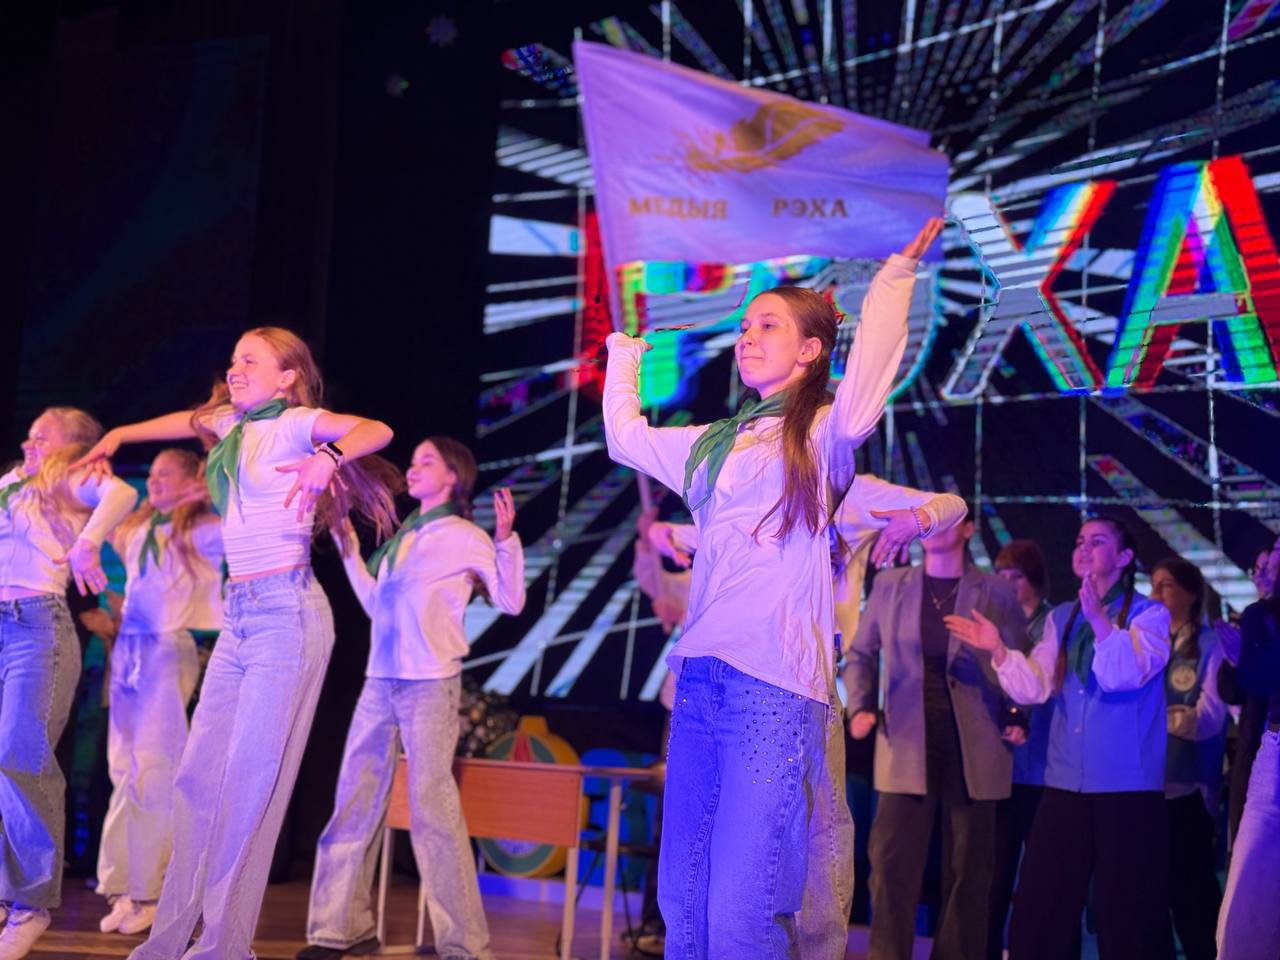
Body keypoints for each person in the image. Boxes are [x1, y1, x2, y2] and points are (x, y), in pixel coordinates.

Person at [602, 217, 942, 957]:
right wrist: (624, 355)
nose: (747, 337)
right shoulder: (714, 443)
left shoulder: (820, 434)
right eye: (745, 326)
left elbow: (865, 392)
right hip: (700, 678)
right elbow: (625, 438)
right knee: (683, 900)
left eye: (768, 326)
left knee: (742, 905)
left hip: (774, 685)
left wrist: (894, 280)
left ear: (810, 350)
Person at [74, 326, 397, 960]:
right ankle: (168, 939)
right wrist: (118, 435)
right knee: (195, 780)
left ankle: (224, 946)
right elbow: (186, 419)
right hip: (240, 617)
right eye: (233, 360)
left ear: (287, 376)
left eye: (251, 360)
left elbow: (376, 430)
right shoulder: (232, 426)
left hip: (287, 615)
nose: (236, 368)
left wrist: (329, 456)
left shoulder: (296, 423)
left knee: (250, 786)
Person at [650, 473, 969, 959]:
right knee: (718, 847)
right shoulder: (754, 480)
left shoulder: (848, 487)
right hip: (736, 687)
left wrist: (918, 520)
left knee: (819, 843)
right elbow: (683, 533)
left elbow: (952, 505)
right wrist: (664, 536)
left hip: (808, 689)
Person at [301, 437, 525, 960]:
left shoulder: (464, 535)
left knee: (433, 813)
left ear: (453, 476)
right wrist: (349, 549)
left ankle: (463, 944)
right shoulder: (402, 538)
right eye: (414, 460)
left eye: (427, 461)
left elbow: (511, 600)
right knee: (353, 802)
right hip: (379, 681)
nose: (413, 467)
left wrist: (505, 542)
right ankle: (339, 929)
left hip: (430, 683)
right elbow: (376, 605)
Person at [952, 515, 1172, 959]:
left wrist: (1101, 622)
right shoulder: (1062, 617)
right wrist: (998, 649)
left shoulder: (1150, 615)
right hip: (1065, 780)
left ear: (1125, 557)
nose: (1084, 548)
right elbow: (1035, 685)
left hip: (1126, 785)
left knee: (1126, 911)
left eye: (1098, 541)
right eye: (1079, 541)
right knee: (1042, 905)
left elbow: (1123, 675)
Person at [847, 507, 1028, 960]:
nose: (931, 526)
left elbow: (1018, 661)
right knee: (891, 866)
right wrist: (861, 706)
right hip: (906, 742)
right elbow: (861, 653)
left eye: (943, 518)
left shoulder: (996, 590)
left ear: (967, 529)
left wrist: (1016, 713)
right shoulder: (892, 585)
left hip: (975, 744)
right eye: (925, 518)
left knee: (969, 871)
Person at [0, 407, 139, 960]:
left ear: (74, 446)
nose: (30, 442)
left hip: (36, 628)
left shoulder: (69, 478)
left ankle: (30, 903)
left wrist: (88, 542)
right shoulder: (13, 482)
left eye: (43, 436)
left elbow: (122, 494)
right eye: (29, 433)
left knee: (21, 757)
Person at [95, 450, 224, 938]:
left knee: (155, 768)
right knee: (123, 769)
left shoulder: (203, 530)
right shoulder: (139, 527)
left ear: (190, 480)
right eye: (151, 474)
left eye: (165, 474)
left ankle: (152, 890)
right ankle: (122, 885)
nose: (153, 481)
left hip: (168, 647)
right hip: (129, 649)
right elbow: (100, 518)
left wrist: (208, 489)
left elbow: (244, 519)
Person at [1150, 557, 1226, 960]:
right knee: (1153, 895)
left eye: (1165, 586)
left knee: (1191, 892)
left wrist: (1158, 719)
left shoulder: (1211, 646)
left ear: (1191, 593)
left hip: (1190, 787)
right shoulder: (1150, 644)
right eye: (1153, 585)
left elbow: (1209, 719)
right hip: (1148, 786)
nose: (1155, 594)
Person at [987, 539, 1059, 960]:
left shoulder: (1052, 623)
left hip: (1043, 766)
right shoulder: (995, 621)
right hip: (1000, 768)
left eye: (1016, 576)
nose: (1008, 584)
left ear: (1034, 579)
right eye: (1002, 576)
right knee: (994, 875)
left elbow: (1042, 688)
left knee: (1041, 877)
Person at [1215, 539, 1280, 960]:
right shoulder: (1258, 616)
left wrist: (1250, 662)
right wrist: (1240, 661)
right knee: (1248, 887)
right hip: (1268, 748)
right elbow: (1237, 689)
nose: (1267, 567)